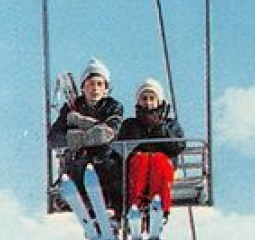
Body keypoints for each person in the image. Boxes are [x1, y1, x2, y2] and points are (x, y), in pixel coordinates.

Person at [49, 57, 124, 219]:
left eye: (99, 84)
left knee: (110, 165)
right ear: (83, 87)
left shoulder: (113, 106)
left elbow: (108, 132)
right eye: (90, 84)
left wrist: (80, 128)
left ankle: (112, 208)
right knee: (79, 164)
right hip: (79, 162)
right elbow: (54, 138)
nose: (95, 89)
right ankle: (83, 204)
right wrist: (71, 138)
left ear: (106, 88)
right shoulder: (70, 107)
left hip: (104, 160)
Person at [117, 77, 186, 223]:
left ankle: (159, 206)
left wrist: (158, 127)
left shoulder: (169, 124)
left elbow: (178, 146)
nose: (148, 103)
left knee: (158, 160)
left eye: (151, 98)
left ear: (159, 101)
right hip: (138, 166)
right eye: (144, 98)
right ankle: (136, 206)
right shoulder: (130, 124)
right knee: (141, 159)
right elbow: (121, 147)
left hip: (161, 165)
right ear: (138, 101)